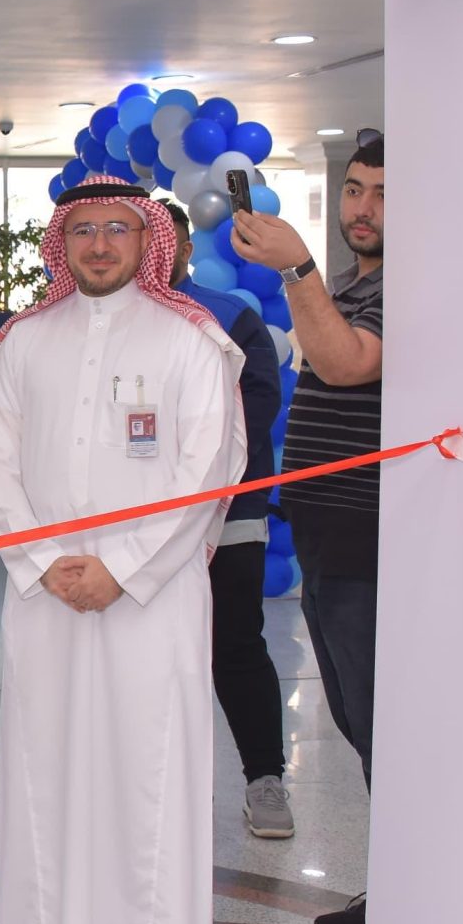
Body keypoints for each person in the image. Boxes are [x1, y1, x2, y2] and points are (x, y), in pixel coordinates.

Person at [0, 176, 243, 924]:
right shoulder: (24, 341)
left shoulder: (191, 340)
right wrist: (44, 558)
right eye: (83, 230)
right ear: (62, 242)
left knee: (145, 759)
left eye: (116, 230)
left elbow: (209, 468)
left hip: (151, 595)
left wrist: (121, 567)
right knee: (45, 753)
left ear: (148, 240)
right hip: (46, 589)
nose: (98, 245)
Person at [232, 132, 385, 924]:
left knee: (391, 732)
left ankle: (414, 915)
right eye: (354, 189)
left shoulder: (411, 287)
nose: (362, 208)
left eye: (383, 194)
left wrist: (297, 268)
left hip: (375, 546)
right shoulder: (359, 284)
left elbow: (343, 361)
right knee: (361, 728)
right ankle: (396, 889)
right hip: (332, 542)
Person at [162, 202, 292, 839]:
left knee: (236, 645)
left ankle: (265, 778)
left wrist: (194, 482)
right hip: (137, 527)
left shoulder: (231, 317)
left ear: (186, 247)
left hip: (228, 515)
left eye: (168, 241)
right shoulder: (106, 324)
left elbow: (256, 408)